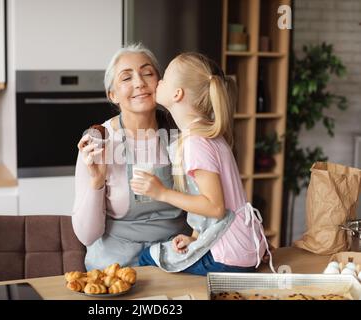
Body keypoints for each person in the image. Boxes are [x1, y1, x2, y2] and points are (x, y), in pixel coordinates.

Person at [131, 52, 274, 275]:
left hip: (230, 256)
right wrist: (195, 239)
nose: (159, 81)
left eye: (165, 78)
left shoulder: (196, 142)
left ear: (178, 94)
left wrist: (161, 193)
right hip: (245, 246)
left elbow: (215, 207)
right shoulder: (208, 135)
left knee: (147, 257)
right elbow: (218, 202)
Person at [72, 44, 191, 270]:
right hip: (117, 265)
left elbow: (211, 202)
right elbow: (87, 236)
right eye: (126, 78)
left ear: (161, 84)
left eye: (147, 73)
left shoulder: (182, 135)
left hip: (178, 256)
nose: (139, 82)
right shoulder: (98, 144)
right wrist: (97, 181)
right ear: (113, 94)